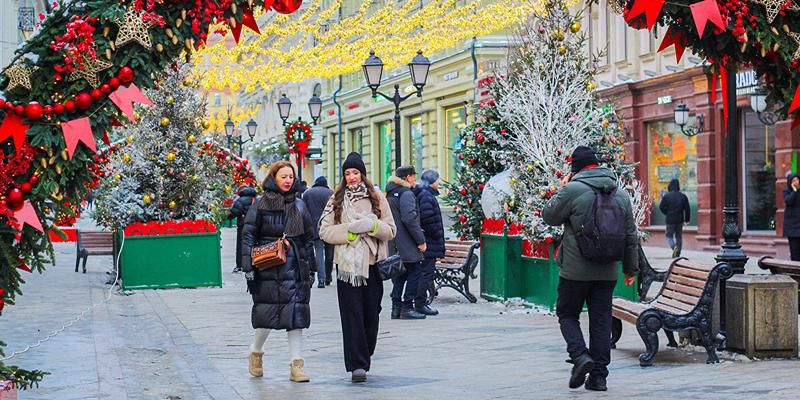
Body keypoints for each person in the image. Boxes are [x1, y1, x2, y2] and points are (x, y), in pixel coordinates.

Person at [542, 146, 638, 392]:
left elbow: (549, 216)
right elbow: (630, 235)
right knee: (601, 321)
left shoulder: (573, 189)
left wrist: (562, 187)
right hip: (607, 271)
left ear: (576, 168)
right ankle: (599, 377)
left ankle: (580, 356)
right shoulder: (620, 194)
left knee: (567, 313)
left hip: (575, 269)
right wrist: (630, 269)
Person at [319, 152, 396, 382]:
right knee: (352, 316)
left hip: (372, 266)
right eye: (347, 173)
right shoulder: (335, 200)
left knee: (372, 314)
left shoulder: (377, 197)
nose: (351, 177)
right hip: (347, 269)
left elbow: (391, 230)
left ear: (362, 173)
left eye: (355, 172)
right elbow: (324, 231)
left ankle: (365, 351)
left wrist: (372, 225)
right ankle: (357, 365)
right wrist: (350, 231)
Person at [240, 161, 316, 382]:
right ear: (274, 178)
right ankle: (255, 351)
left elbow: (308, 238)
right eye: (283, 176)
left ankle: (297, 365)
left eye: (290, 177)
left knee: (296, 317)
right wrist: (248, 268)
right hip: (268, 267)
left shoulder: (299, 205)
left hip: (295, 269)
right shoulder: (261, 204)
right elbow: (248, 236)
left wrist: (311, 268)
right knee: (267, 316)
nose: (288, 180)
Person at [386, 165, 427, 320]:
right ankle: (407, 307)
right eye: (413, 176)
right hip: (407, 241)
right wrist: (420, 240)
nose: (415, 179)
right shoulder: (406, 194)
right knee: (415, 271)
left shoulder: (390, 192)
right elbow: (409, 218)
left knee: (400, 274)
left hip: (394, 241)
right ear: (408, 177)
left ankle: (396, 308)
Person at [412, 169, 444, 316]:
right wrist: (436, 234)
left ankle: (419, 302)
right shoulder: (426, 195)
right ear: (432, 181)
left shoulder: (425, 194)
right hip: (430, 242)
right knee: (426, 273)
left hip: (429, 241)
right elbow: (428, 218)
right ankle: (420, 303)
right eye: (437, 180)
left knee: (424, 273)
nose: (439, 182)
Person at [303, 176, 334, 288]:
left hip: (313, 227)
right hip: (329, 227)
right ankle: (328, 277)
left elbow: (304, 211)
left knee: (319, 253)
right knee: (330, 254)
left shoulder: (307, 193)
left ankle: (321, 279)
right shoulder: (331, 193)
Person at [227, 185, 257, 273]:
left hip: (243, 226)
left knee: (241, 246)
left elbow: (233, 213)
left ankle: (240, 265)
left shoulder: (240, 200)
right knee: (255, 244)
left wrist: (227, 217)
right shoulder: (257, 199)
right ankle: (255, 262)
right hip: (256, 225)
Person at [658, 179, 691, 258]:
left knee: (669, 236)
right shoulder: (683, 196)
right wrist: (687, 219)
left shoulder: (667, 196)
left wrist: (667, 213)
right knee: (678, 236)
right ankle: (678, 252)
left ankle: (674, 247)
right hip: (680, 220)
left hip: (670, 220)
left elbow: (661, 207)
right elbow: (687, 209)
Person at [784, 173, 800, 260]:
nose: (796, 182)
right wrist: (794, 191)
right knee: (794, 251)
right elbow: (789, 201)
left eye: (797, 180)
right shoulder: (787, 192)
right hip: (792, 227)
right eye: (794, 180)